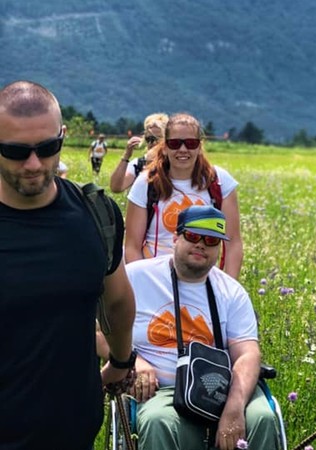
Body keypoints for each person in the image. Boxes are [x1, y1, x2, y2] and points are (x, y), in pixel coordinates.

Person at [0, 80, 137, 449]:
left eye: (48, 148)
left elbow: (117, 301)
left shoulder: (96, 214)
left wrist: (121, 361)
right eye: (15, 151)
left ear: (62, 137)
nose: (33, 164)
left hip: (74, 431)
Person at [126, 205, 280, 450]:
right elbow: (99, 333)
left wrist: (234, 406)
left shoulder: (232, 291)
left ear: (219, 248)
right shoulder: (135, 277)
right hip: (162, 389)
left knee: (262, 416)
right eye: (192, 236)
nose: (201, 245)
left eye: (210, 240)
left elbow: (248, 354)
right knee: (158, 420)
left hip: (220, 385)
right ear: (175, 237)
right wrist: (134, 361)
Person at [124, 112, 243, 279]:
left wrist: (227, 288)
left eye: (191, 143)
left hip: (201, 280)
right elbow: (132, 246)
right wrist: (144, 284)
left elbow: (233, 243)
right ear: (165, 147)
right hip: (155, 278)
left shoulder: (220, 182)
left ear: (199, 147)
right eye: (174, 143)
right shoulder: (146, 182)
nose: (183, 149)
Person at [110, 112, 168, 193]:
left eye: (157, 139)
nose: (153, 143)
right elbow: (116, 188)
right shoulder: (138, 164)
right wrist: (126, 157)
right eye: (149, 139)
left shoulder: (175, 163)